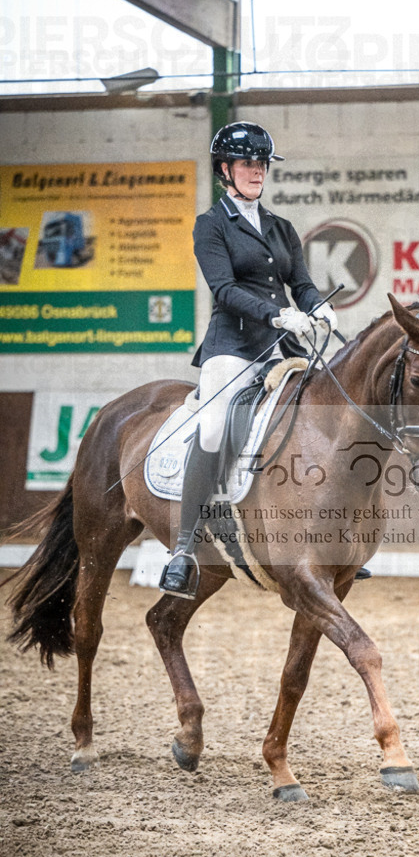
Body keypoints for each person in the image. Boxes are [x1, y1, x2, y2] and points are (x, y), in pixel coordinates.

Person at [159, 121, 338, 599]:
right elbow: (225, 289)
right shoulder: (211, 225)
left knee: (323, 415)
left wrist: (316, 304)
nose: (257, 171)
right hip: (233, 346)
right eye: (247, 163)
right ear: (225, 170)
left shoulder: (281, 228)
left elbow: (300, 282)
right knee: (215, 425)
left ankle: (327, 542)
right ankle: (182, 548)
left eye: (261, 164)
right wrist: (278, 315)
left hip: (285, 346)